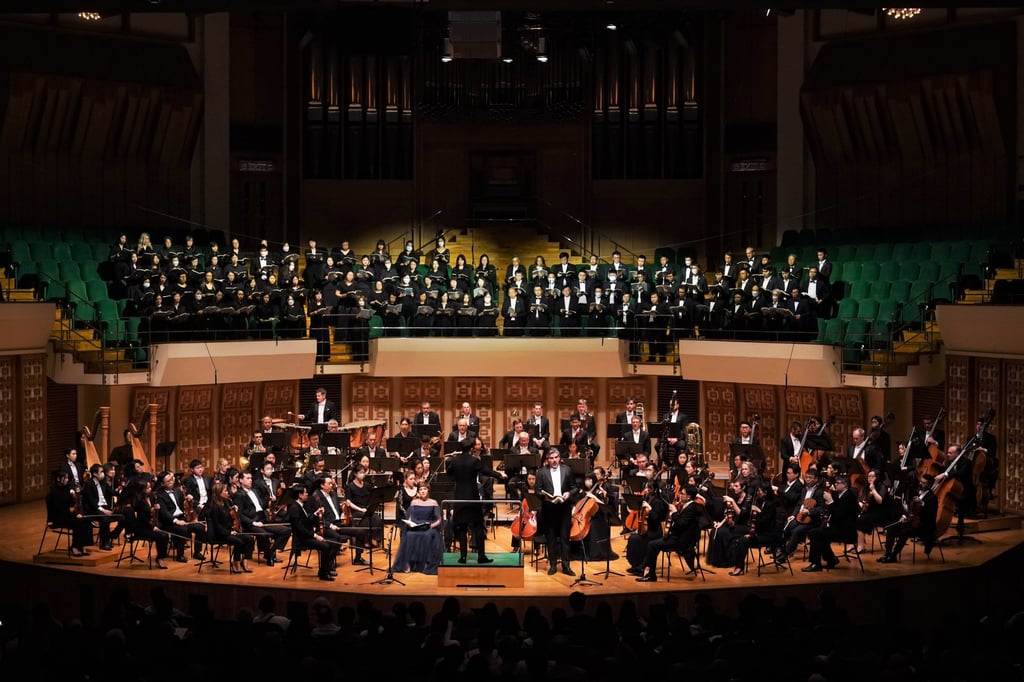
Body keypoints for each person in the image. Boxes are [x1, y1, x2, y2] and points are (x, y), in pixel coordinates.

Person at [447, 441, 506, 564]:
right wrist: (499, 475)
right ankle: (481, 556)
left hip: (459, 496)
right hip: (472, 496)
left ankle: (463, 557)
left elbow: (449, 473)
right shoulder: (474, 461)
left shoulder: (455, 461)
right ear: (472, 449)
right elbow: (486, 471)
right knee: (478, 526)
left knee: (462, 527)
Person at [636, 485, 701, 582]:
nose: (679, 495)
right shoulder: (686, 506)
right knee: (652, 544)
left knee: (652, 545)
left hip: (681, 541)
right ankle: (647, 570)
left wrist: (674, 512)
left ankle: (650, 574)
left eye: (682, 493)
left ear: (689, 496)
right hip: (674, 536)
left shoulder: (692, 508)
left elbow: (682, 524)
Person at [234, 470, 290, 566]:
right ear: (241, 480)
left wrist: (268, 505)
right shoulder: (239, 495)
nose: (250, 480)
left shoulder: (255, 491)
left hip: (263, 519)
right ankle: (269, 556)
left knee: (286, 530)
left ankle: (271, 552)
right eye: (247, 478)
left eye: (251, 478)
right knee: (264, 535)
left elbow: (261, 505)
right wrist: (253, 523)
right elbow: (239, 514)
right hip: (251, 523)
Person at [803, 475, 858, 572]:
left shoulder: (849, 497)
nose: (835, 484)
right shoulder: (841, 494)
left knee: (815, 533)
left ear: (845, 485)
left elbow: (840, 515)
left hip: (846, 530)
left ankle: (816, 563)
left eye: (837, 483)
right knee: (817, 533)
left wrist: (831, 501)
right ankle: (831, 559)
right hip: (838, 527)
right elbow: (836, 511)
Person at [879, 473, 939, 563]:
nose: (921, 484)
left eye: (924, 483)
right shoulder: (916, 492)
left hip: (923, 525)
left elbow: (930, 516)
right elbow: (909, 509)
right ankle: (887, 553)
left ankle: (893, 555)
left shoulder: (932, 498)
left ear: (930, 485)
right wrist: (904, 516)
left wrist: (922, 503)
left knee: (904, 532)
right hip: (912, 521)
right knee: (891, 528)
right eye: (921, 482)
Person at [536, 447, 577, 576]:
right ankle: (553, 565)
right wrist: (546, 497)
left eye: (556, 458)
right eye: (551, 458)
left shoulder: (567, 470)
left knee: (565, 538)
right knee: (551, 538)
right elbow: (537, 490)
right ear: (547, 460)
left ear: (559, 458)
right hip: (549, 509)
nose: (554, 461)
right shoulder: (541, 472)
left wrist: (568, 494)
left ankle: (566, 566)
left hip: (564, 508)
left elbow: (575, 487)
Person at [288, 483, 339, 581]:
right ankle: (323, 573)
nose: (307, 494)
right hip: (301, 539)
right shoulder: (294, 508)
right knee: (326, 546)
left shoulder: (302, 505)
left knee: (331, 543)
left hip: (307, 536)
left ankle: (325, 569)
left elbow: (307, 520)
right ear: (300, 495)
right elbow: (300, 528)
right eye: (305, 493)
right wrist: (315, 535)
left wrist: (316, 514)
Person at [154, 470, 207, 562]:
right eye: (168, 481)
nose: (172, 482)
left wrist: (189, 500)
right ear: (162, 484)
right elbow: (164, 513)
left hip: (182, 518)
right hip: (169, 522)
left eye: (172, 479)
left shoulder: (177, 491)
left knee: (200, 527)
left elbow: (184, 504)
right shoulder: (159, 495)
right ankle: (180, 555)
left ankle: (197, 552)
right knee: (182, 530)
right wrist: (176, 521)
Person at [205, 481, 255, 574]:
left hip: (228, 531)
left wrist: (233, 527)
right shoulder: (214, 507)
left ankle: (245, 561)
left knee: (249, 539)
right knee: (239, 542)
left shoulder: (227, 503)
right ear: (219, 493)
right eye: (225, 491)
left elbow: (230, 519)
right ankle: (235, 562)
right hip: (219, 534)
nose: (228, 492)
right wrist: (229, 532)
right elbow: (217, 525)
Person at [393, 483, 443, 575]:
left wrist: (431, 525)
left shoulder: (433, 502)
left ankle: (425, 564)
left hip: (429, 526)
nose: (423, 491)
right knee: (409, 535)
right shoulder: (414, 502)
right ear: (418, 492)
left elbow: (439, 519)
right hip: (416, 526)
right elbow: (410, 517)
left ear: (428, 490)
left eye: (424, 489)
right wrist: (411, 524)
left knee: (428, 535)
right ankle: (407, 563)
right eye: (420, 489)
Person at [121, 478, 170, 569]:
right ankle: (160, 559)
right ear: (142, 489)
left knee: (165, 534)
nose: (150, 489)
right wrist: (152, 527)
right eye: (147, 488)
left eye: (150, 487)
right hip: (141, 527)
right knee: (161, 536)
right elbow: (142, 519)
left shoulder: (151, 497)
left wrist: (156, 508)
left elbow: (153, 513)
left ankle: (161, 557)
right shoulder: (139, 502)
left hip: (149, 524)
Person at [625, 480, 670, 575]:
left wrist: (650, 508)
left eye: (649, 488)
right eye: (646, 487)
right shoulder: (646, 498)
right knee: (633, 539)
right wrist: (639, 528)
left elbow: (655, 518)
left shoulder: (658, 502)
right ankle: (635, 565)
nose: (647, 490)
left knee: (637, 540)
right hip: (645, 529)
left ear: (655, 489)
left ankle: (642, 566)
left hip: (654, 531)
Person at [48, 470, 93, 557]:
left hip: (68, 515)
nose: (67, 480)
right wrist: (70, 511)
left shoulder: (67, 489)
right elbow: (57, 508)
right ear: (58, 479)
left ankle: (82, 545)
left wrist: (74, 497)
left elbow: (72, 504)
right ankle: (74, 547)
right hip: (58, 517)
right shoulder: (54, 491)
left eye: (67, 478)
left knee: (86, 520)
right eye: (65, 478)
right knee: (78, 522)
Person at [82, 463, 122, 550]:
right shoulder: (88, 485)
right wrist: (103, 510)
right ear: (95, 474)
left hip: (105, 508)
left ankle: (111, 536)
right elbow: (91, 502)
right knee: (105, 518)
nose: (103, 473)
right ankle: (104, 543)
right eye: (101, 472)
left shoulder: (103, 483)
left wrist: (122, 491)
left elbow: (112, 492)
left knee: (123, 516)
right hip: (94, 509)